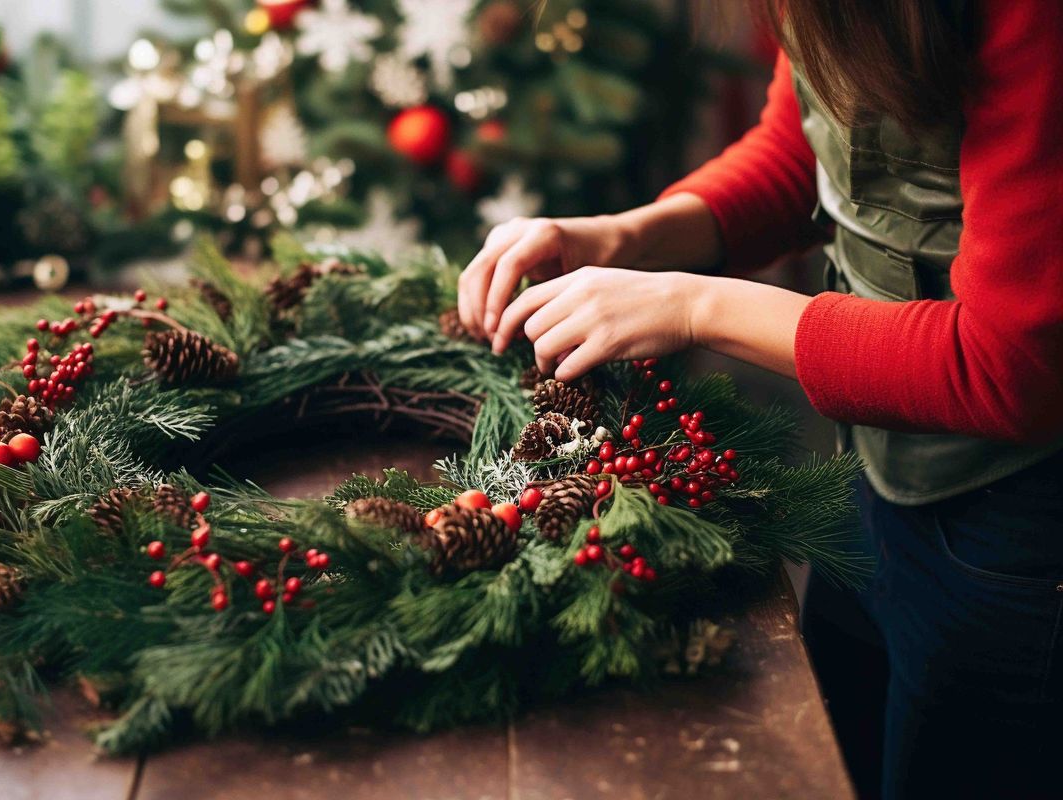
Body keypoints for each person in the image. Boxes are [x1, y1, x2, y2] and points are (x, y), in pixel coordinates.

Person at [455, 1, 1063, 798]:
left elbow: (1010, 368)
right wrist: (623, 237)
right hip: (869, 470)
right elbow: (798, 153)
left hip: (1011, 536)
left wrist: (695, 306)